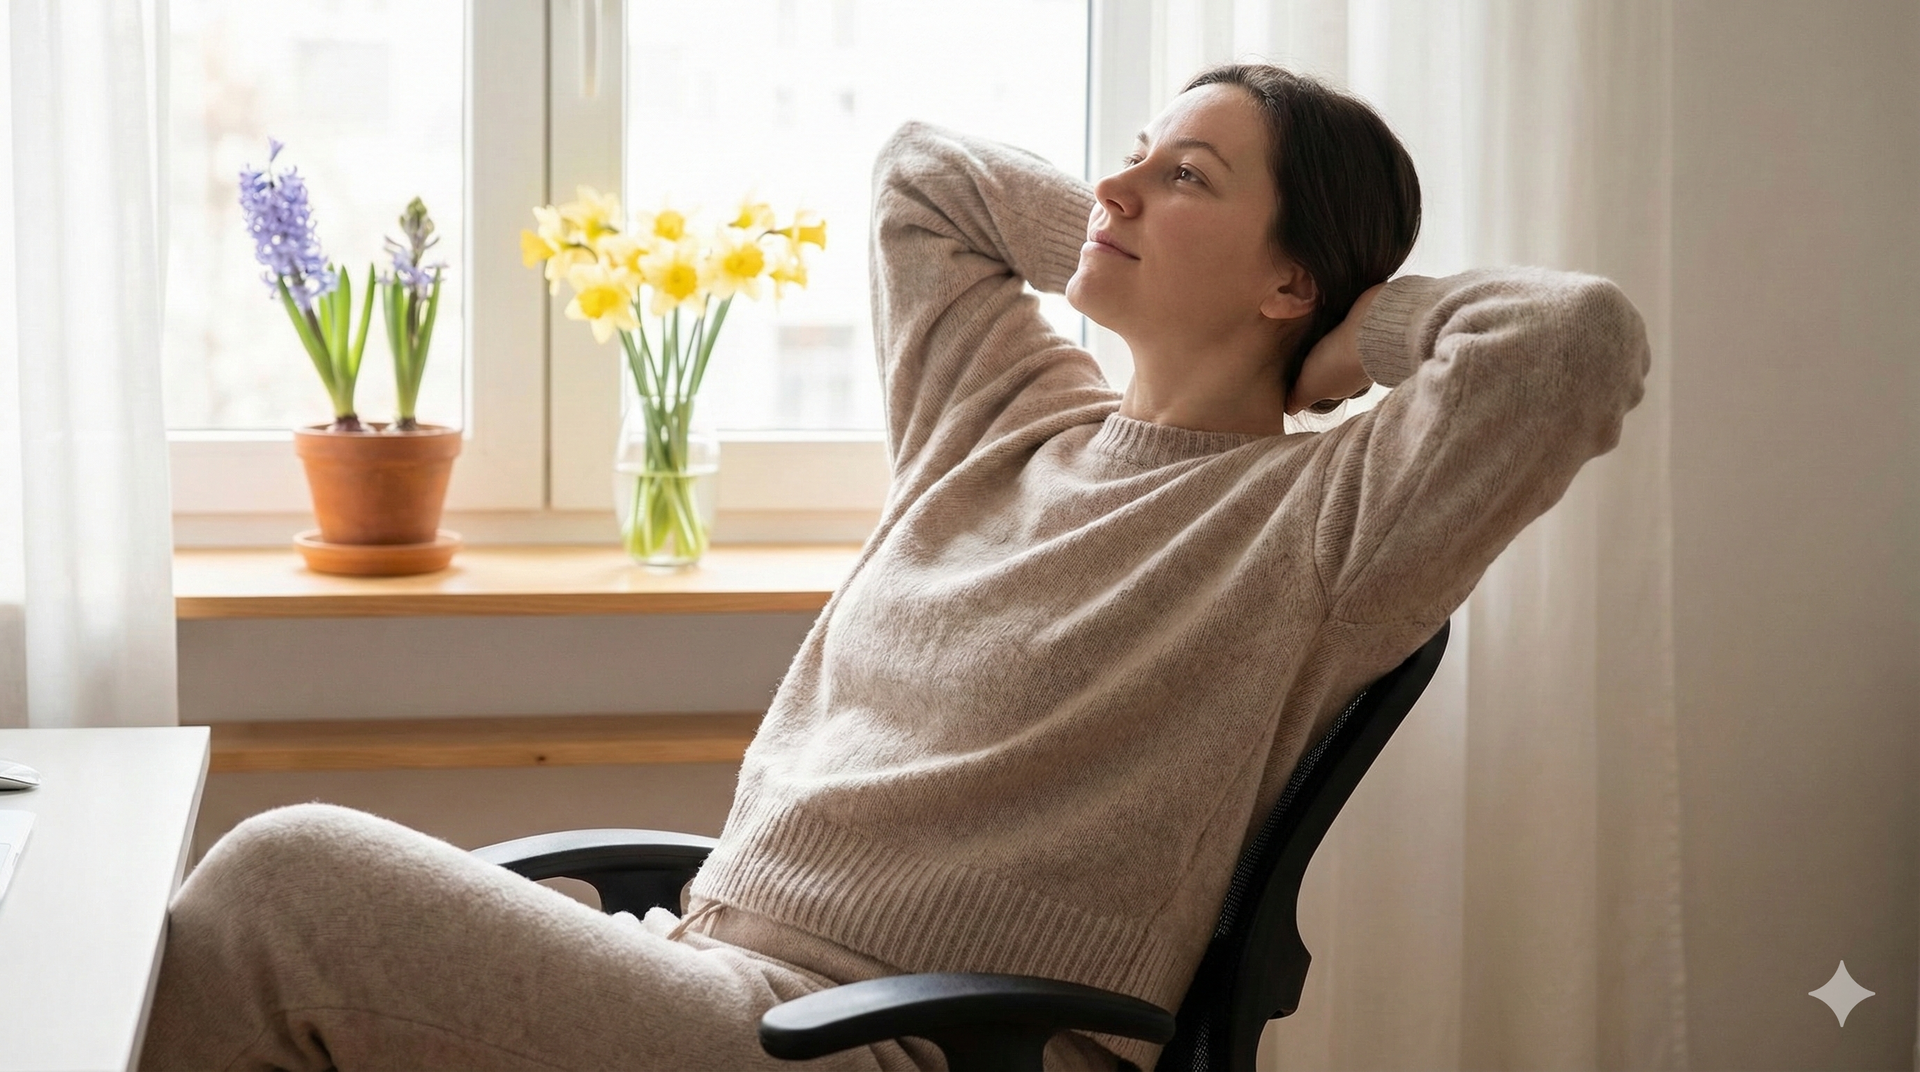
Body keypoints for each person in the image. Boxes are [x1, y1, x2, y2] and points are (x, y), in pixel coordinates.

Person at [141, 63, 1649, 1072]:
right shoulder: (1000, 420)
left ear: (1292, 275)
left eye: (1184, 176)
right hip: (710, 972)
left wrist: (1354, 331)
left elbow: (1575, 344)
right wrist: (1119, 227)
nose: (1117, 190)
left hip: (879, 1045)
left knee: (280, 882)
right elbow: (924, 174)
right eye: (1127, 162)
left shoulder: (1329, 524)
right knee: (249, 928)